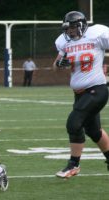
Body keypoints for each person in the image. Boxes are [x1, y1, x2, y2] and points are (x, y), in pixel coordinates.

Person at [53, 11, 109, 178]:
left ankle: (73, 164)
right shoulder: (63, 42)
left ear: (83, 25)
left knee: (74, 123)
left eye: (73, 27)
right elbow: (55, 67)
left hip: (96, 90)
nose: (70, 31)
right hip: (79, 94)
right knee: (94, 130)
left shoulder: (97, 33)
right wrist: (59, 63)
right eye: (68, 28)